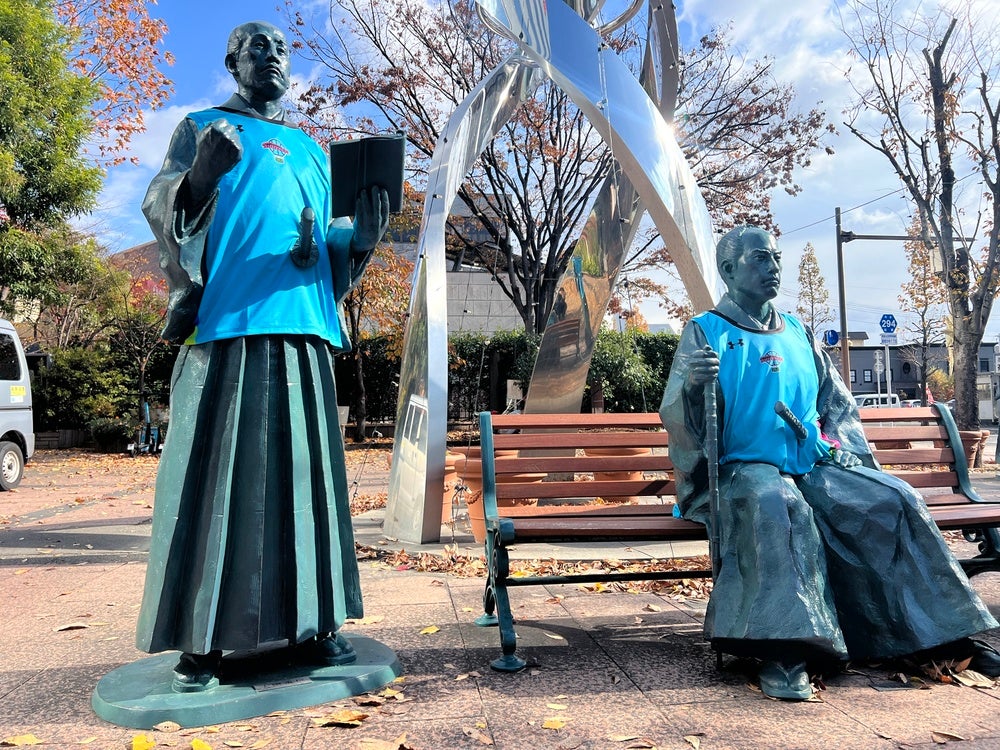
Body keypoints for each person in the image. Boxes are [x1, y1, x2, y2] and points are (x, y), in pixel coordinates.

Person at [137, 20, 390, 692]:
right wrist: (201, 175)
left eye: (282, 48)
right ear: (231, 61)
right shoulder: (202, 128)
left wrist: (359, 238)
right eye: (258, 46)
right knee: (216, 485)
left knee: (309, 486)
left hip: (304, 330)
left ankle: (318, 622)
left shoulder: (313, 151)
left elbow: (331, 243)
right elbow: (162, 206)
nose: (273, 56)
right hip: (228, 328)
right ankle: (202, 642)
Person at [660, 225, 1000, 700]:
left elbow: (837, 405)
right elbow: (680, 417)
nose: (773, 267)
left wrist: (843, 453)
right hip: (744, 468)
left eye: (776, 257)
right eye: (760, 258)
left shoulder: (798, 331)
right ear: (728, 270)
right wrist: (695, 387)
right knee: (778, 505)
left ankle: (938, 637)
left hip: (810, 462)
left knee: (892, 499)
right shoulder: (706, 331)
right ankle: (784, 648)